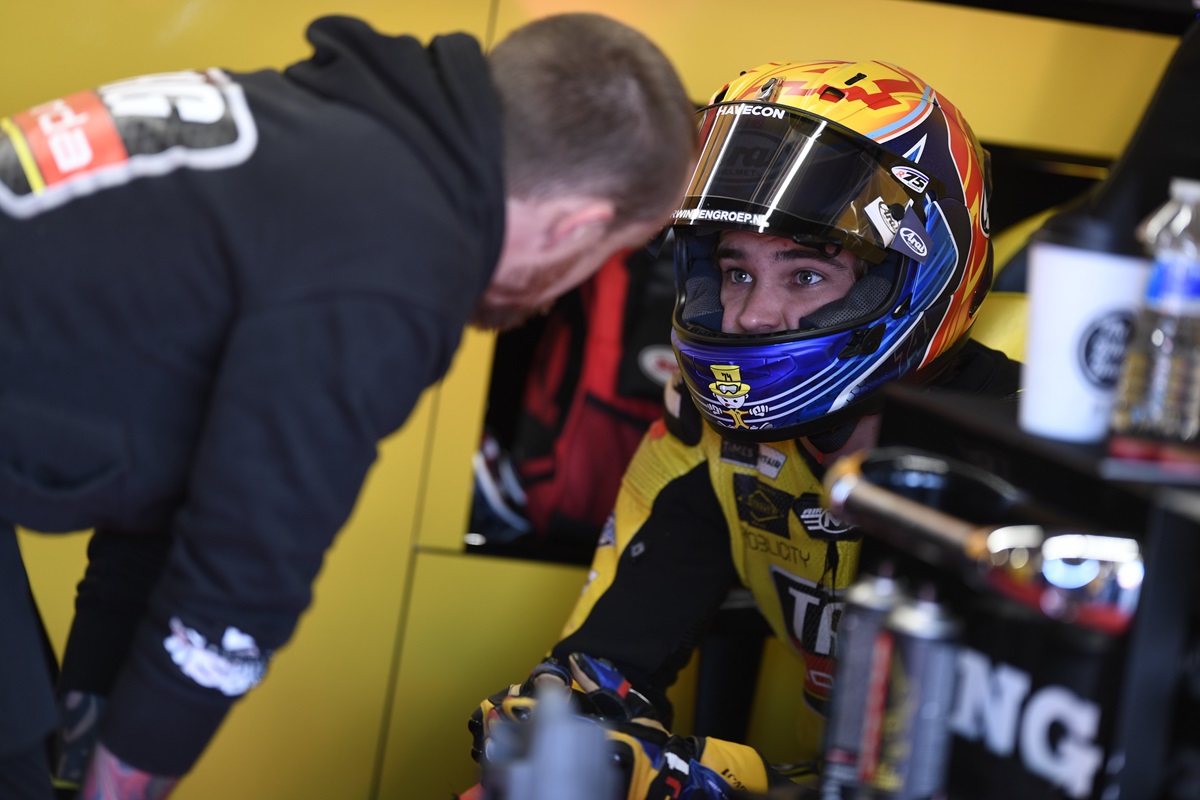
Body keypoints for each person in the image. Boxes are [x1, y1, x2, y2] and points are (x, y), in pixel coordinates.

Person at [0, 12, 697, 800]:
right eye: (600, 259)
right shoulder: (392, 256)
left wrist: (80, 770)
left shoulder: (330, 135)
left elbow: (166, 526)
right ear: (578, 227)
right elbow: (238, 587)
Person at [470, 59, 1021, 797]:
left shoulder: (1033, 467)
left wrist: (722, 783)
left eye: (805, 275)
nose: (752, 316)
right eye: (736, 272)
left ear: (913, 277)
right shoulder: (707, 431)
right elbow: (601, 667)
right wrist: (558, 730)